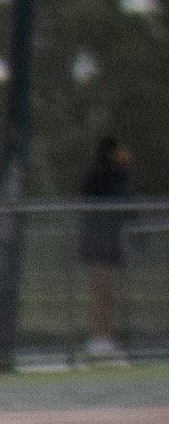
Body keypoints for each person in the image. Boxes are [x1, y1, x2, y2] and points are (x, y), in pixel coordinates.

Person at [77, 129, 138, 365]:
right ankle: (96, 338)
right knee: (100, 289)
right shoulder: (99, 177)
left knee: (108, 291)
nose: (126, 153)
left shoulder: (120, 175)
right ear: (112, 153)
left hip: (112, 240)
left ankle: (107, 337)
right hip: (97, 240)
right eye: (121, 149)